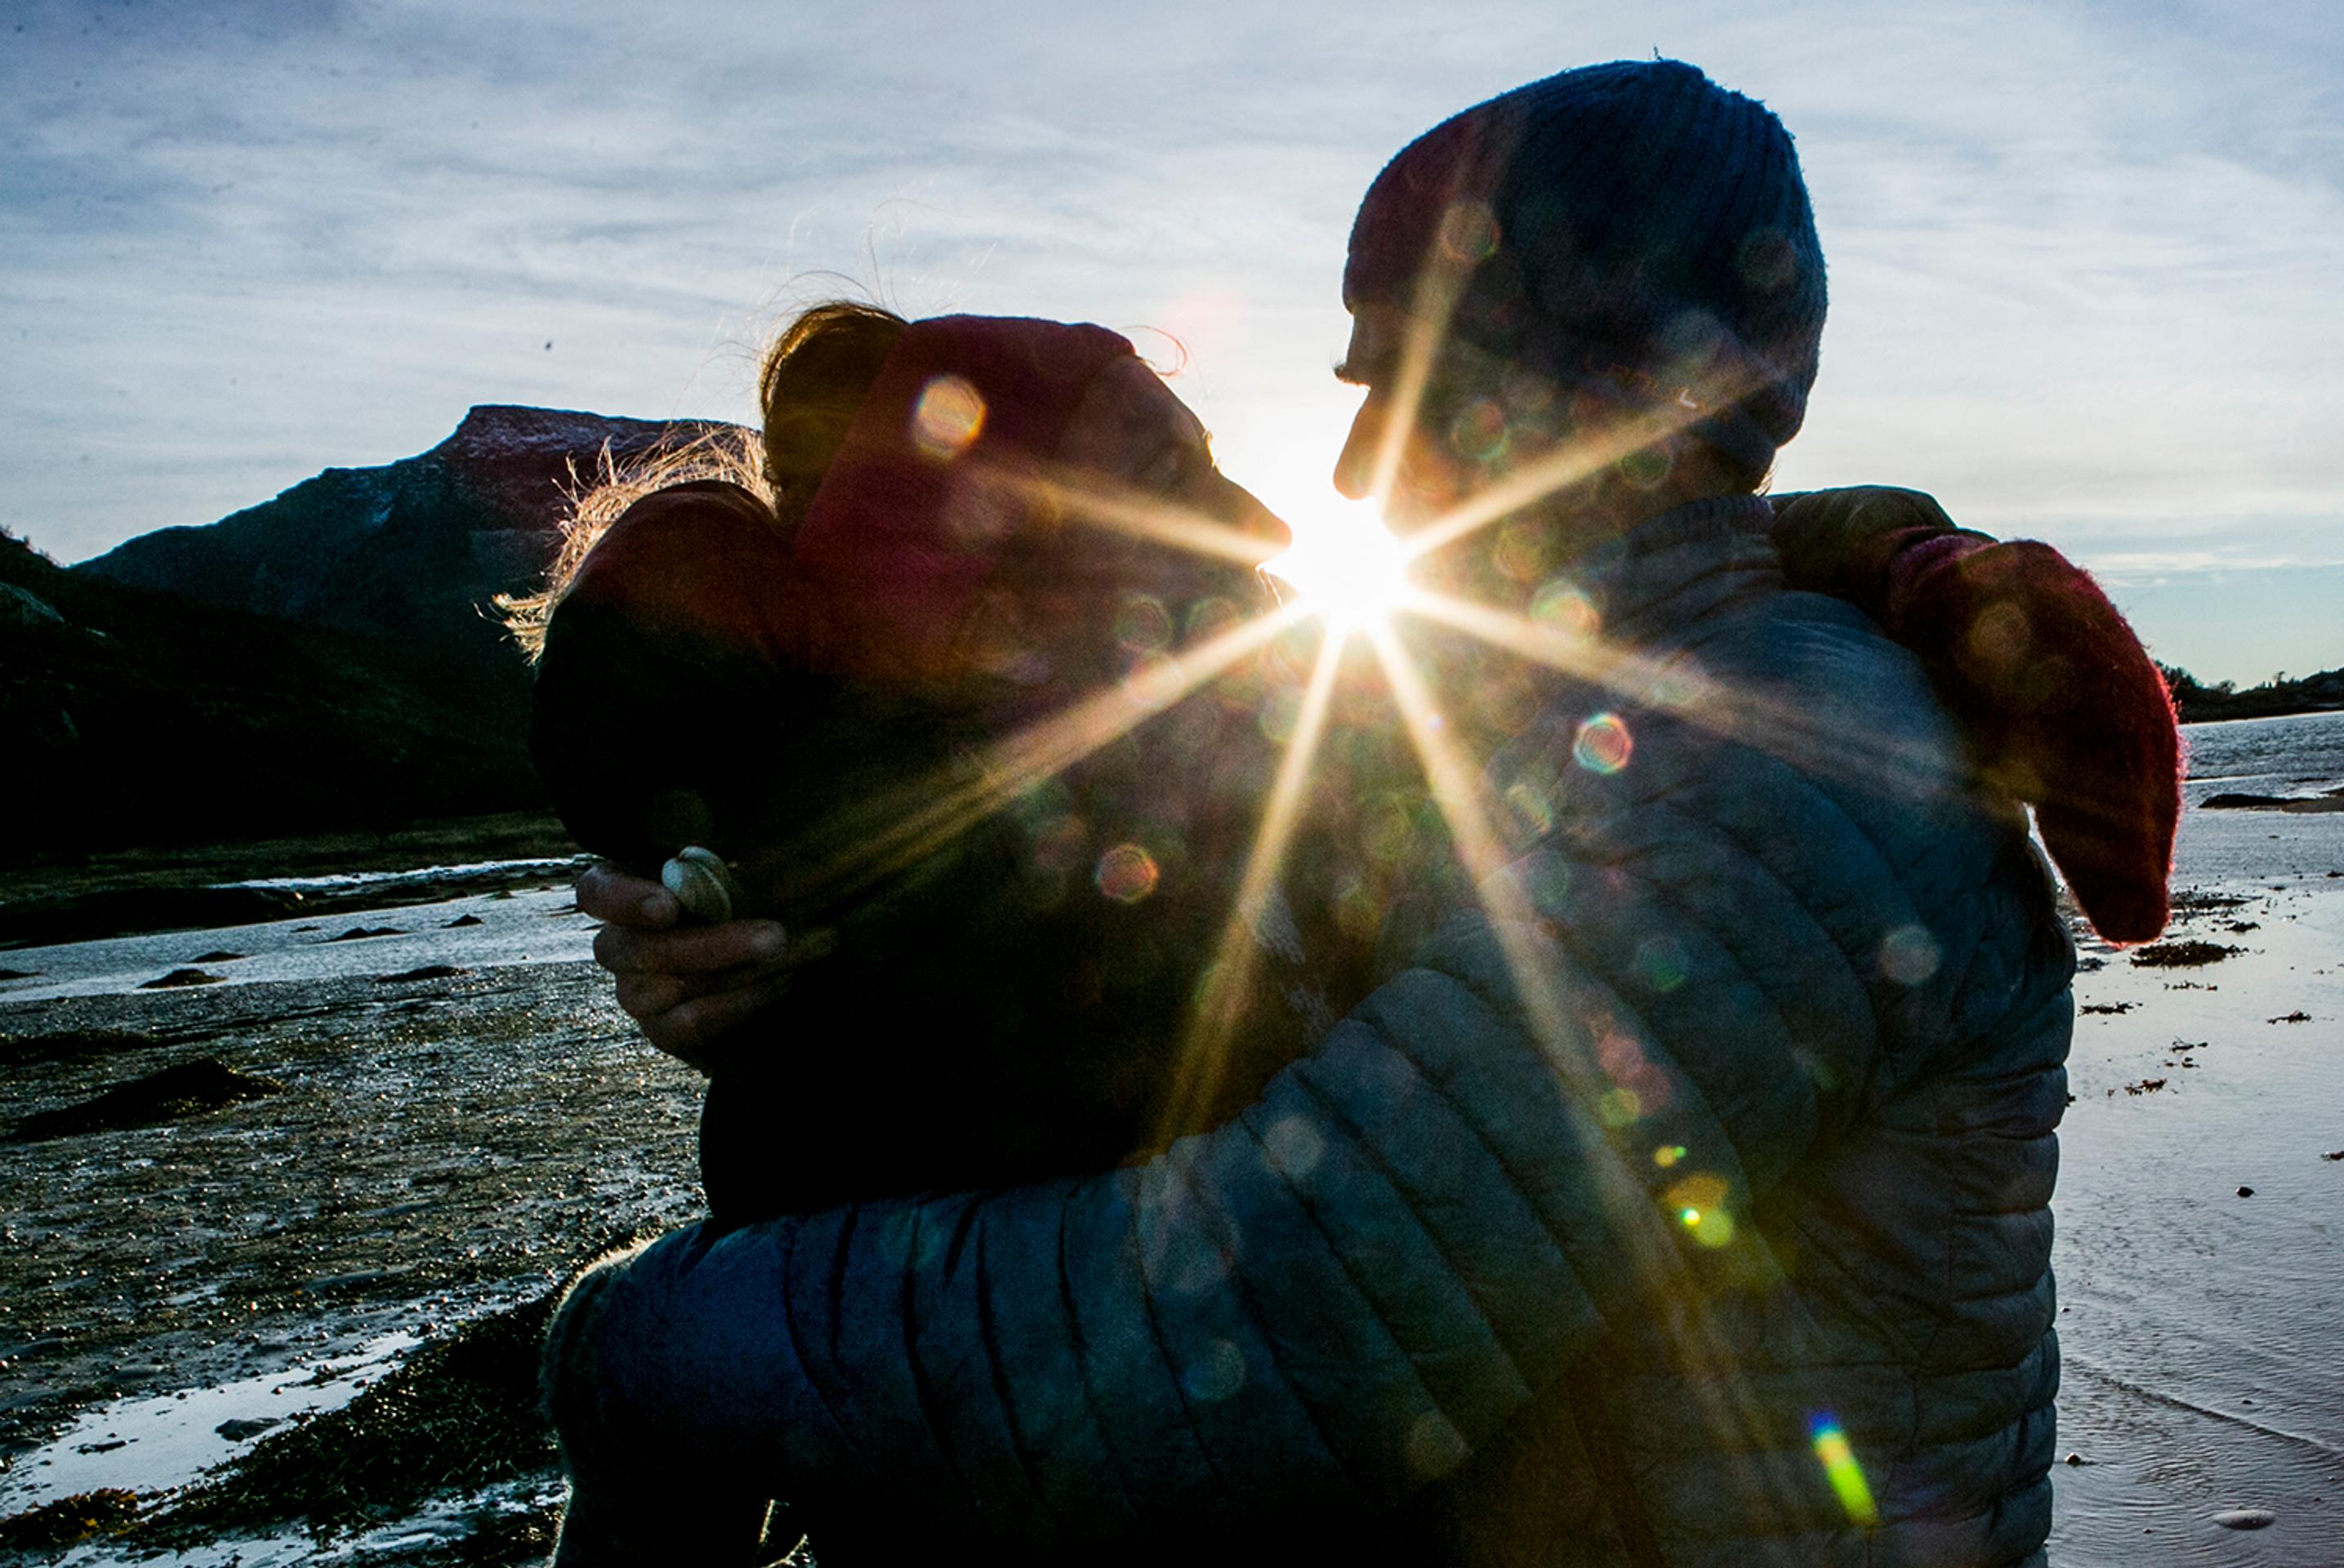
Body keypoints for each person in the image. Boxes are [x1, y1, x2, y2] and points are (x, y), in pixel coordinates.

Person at [545, 60, 2181, 1566]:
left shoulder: (1787, 766)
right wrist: (772, 986)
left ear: (1569, 385)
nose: (1338, 473)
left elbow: (1284, 1333)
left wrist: (652, 1339)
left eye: (1394, 375)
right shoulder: (1520, 727)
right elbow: (1125, 999)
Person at [528, 305, 1322, 1223]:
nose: (1269, 529)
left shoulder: (1229, 794)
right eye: (1170, 477)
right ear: (997, 627)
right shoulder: (1022, 978)